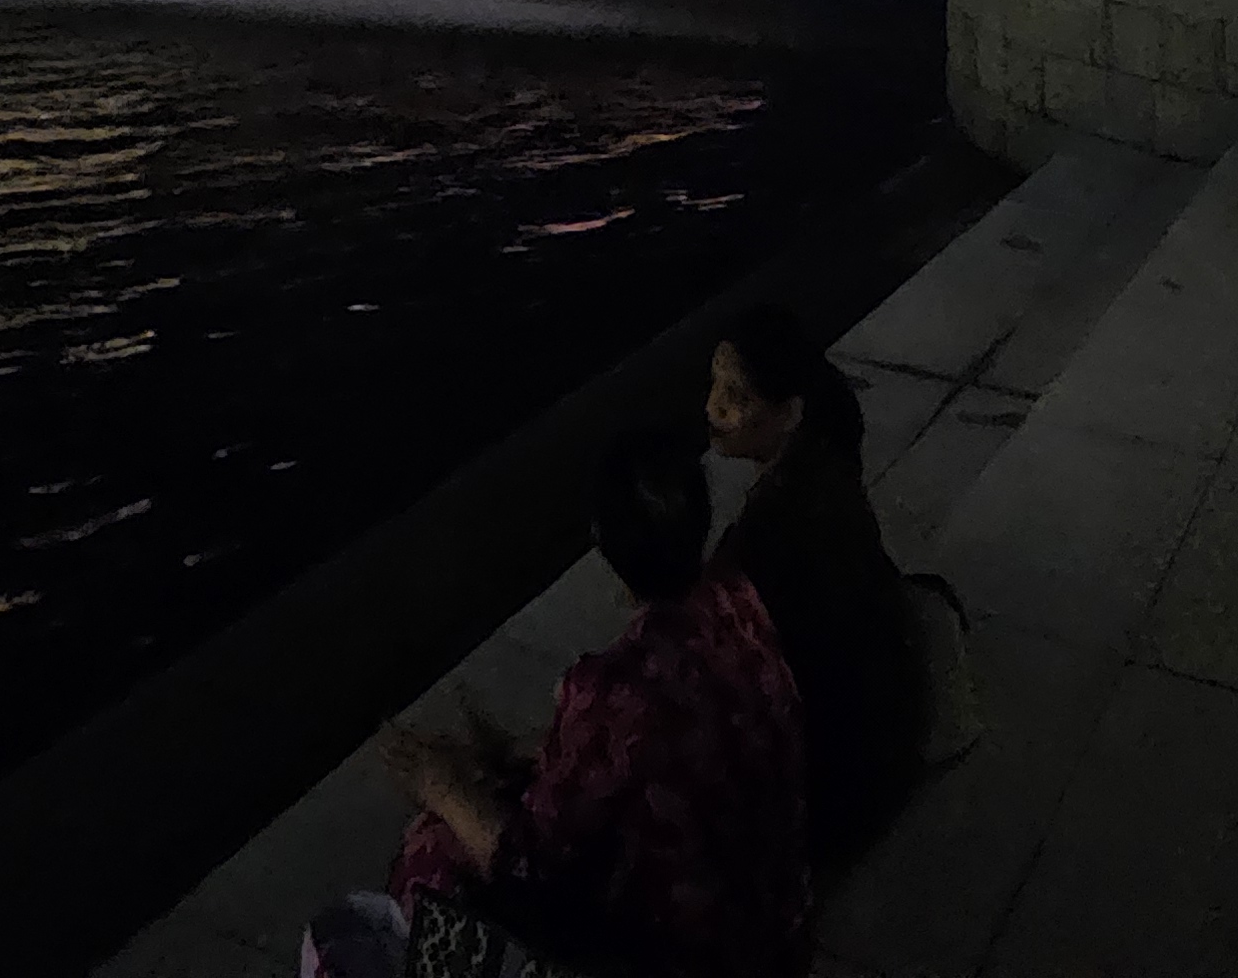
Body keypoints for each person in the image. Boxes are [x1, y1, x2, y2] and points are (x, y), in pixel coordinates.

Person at [351, 425, 811, 978]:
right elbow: (648, 759)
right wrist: (524, 754)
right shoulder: (734, 601)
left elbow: (530, 863)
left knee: (433, 849)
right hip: (777, 919)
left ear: (603, 540)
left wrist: (440, 785)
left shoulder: (617, 688)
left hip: (693, 956)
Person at [704, 304, 925, 869]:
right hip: (888, 745)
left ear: (790, 412)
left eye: (737, 397)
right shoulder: (829, 471)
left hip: (831, 795)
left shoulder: (764, 540)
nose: (714, 408)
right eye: (715, 386)